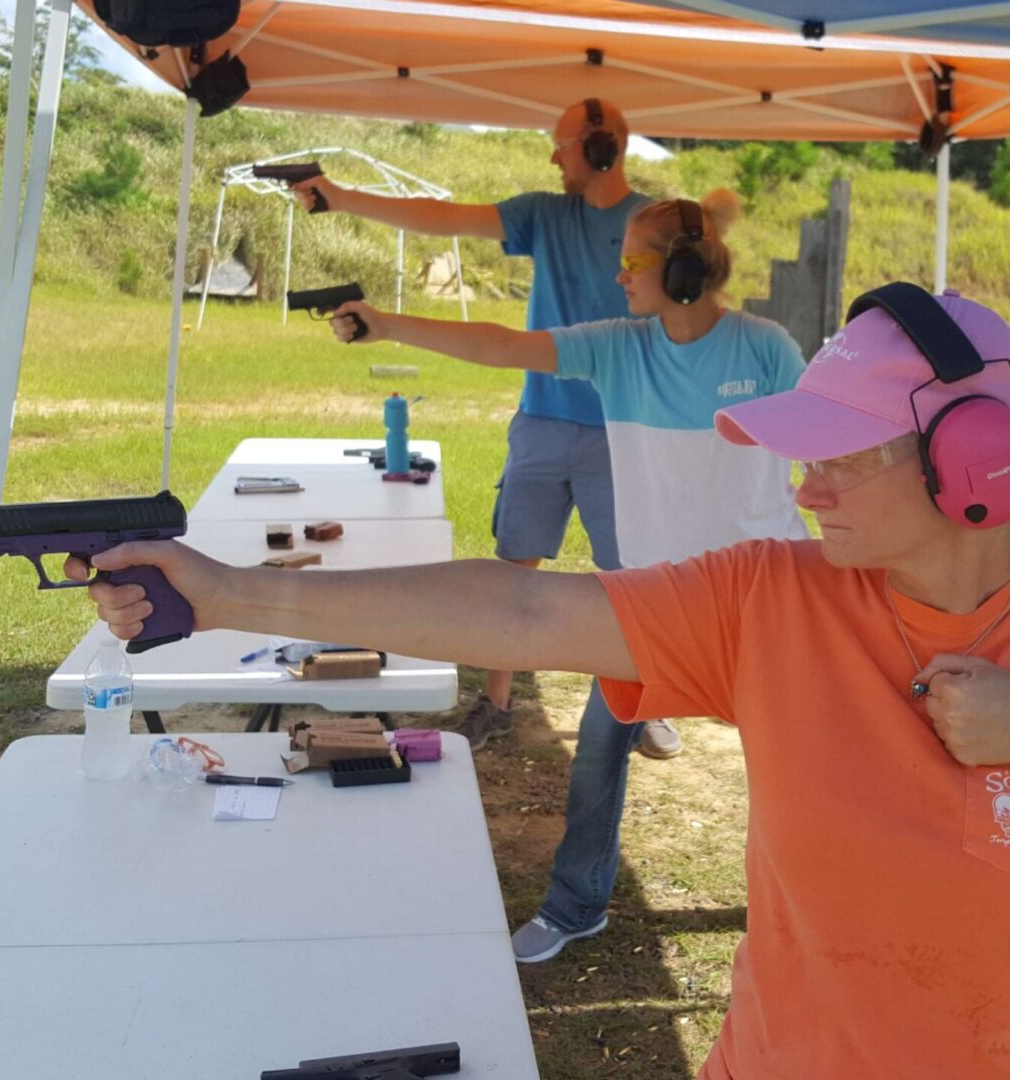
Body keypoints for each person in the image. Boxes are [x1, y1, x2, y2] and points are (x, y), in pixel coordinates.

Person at [73, 283, 1010, 1078]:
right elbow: (525, 604)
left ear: (969, 460)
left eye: (837, 459)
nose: (802, 486)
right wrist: (234, 594)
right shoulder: (774, 597)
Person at [327, 189, 808, 962]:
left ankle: (805, 914)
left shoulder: (765, 349)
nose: (618, 276)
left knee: (797, 771)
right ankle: (577, 904)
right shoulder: (620, 345)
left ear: (680, 271)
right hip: (657, 602)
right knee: (595, 756)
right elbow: (501, 345)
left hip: (766, 598)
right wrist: (386, 323)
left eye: (632, 262)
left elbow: (825, 448)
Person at [291, 100, 686, 760]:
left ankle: (644, 701)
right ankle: (496, 703)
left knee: (630, 577)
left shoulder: (650, 224)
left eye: (560, 145)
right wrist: (339, 199)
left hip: (623, 428)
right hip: (540, 421)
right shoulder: (543, 213)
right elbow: (443, 218)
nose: (552, 157)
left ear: (599, 148)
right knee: (513, 567)